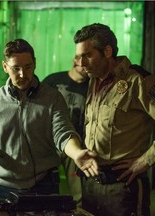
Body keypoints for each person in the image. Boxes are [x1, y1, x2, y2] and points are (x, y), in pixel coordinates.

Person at [0, 39, 95, 200]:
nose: (23, 74)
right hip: (4, 187)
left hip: (44, 184)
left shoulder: (52, 97)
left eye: (28, 67)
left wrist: (76, 153)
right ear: (5, 67)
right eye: (16, 68)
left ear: (35, 64)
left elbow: (63, 132)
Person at [72, 23, 155, 216]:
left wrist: (146, 160)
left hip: (124, 186)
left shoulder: (138, 81)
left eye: (87, 55)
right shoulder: (94, 80)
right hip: (92, 184)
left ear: (107, 51)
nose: (81, 64)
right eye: (79, 57)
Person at [42, 59, 89, 206]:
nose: (83, 63)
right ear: (74, 61)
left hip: (75, 144)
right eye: (80, 58)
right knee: (45, 187)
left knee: (78, 192)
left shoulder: (93, 86)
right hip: (49, 143)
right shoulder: (54, 80)